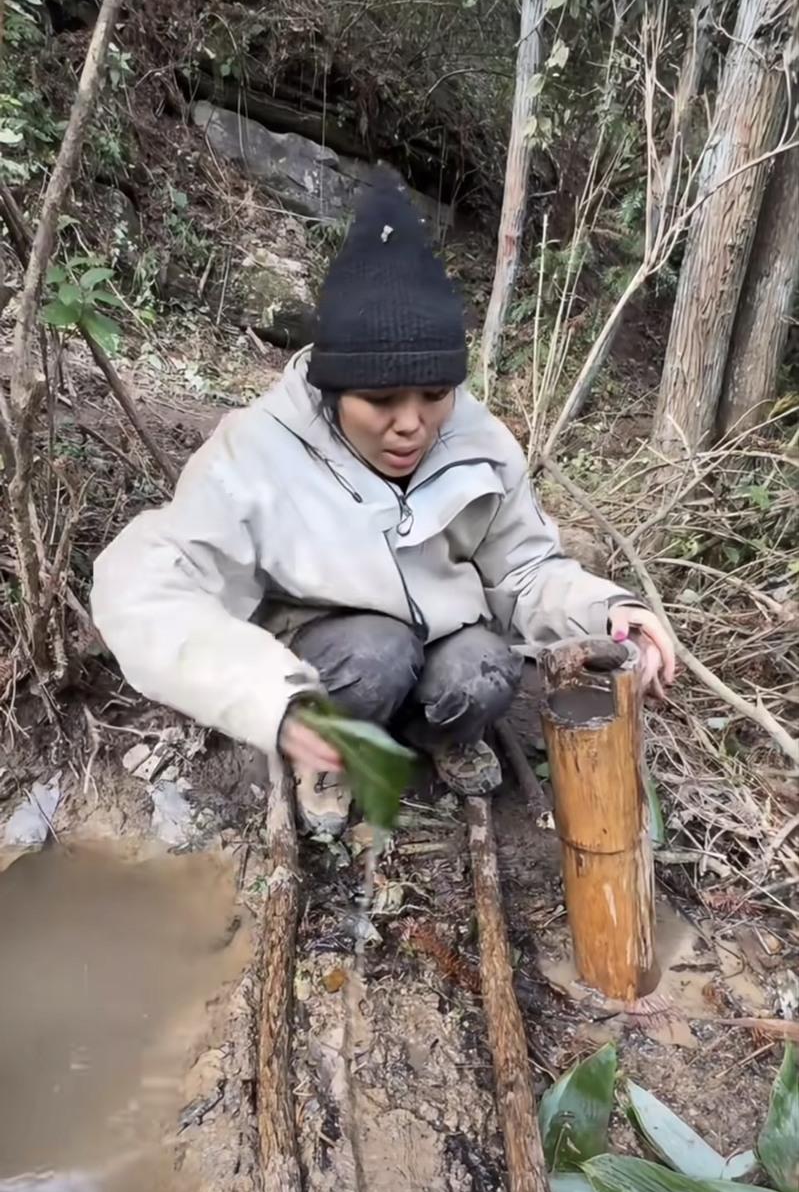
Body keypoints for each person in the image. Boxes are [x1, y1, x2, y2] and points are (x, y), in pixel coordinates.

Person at [91, 182, 675, 835]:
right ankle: (330, 752)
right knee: (376, 656)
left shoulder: (478, 440)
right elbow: (144, 585)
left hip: (446, 635)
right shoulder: (253, 451)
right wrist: (266, 697)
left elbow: (525, 569)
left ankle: (439, 734)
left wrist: (609, 609)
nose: (412, 425)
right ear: (334, 388)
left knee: (484, 670)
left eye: (433, 393)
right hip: (331, 649)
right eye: (381, 400)